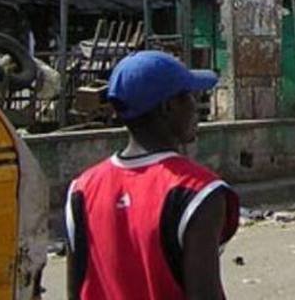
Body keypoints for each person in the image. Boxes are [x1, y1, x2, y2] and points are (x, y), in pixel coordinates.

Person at [65, 51, 240, 300]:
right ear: (168, 107)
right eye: (188, 96)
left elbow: (76, 291)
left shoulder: (81, 189)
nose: (196, 105)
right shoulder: (197, 191)